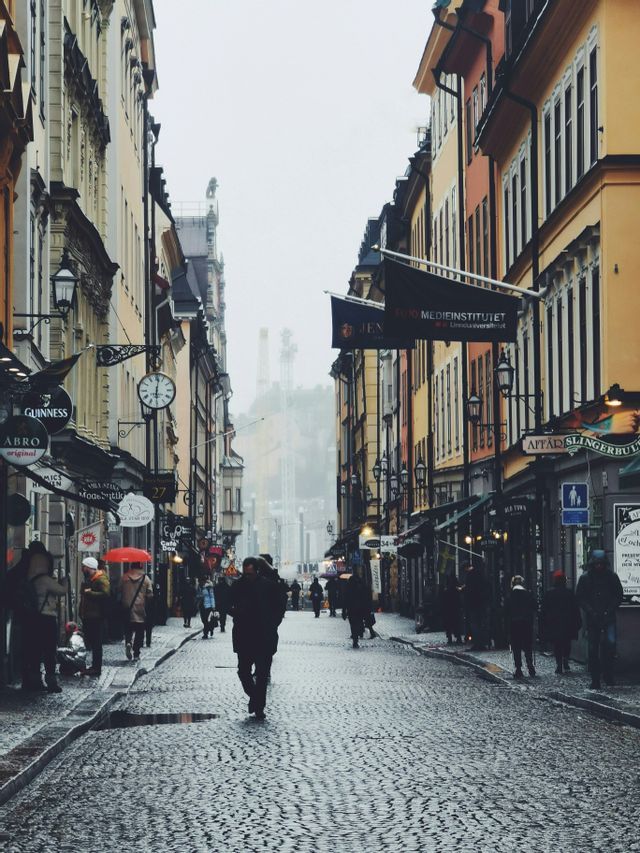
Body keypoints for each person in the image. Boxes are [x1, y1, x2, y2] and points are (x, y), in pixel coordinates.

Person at [229, 557, 280, 720]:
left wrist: (272, 623)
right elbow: (227, 604)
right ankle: (255, 697)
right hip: (244, 636)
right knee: (243, 672)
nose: (247, 577)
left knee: (262, 674)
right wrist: (237, 613)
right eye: (245, 574)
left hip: (264, 636)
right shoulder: (237, 586)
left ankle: (259, 707)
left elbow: (279, 607)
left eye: (250, 574)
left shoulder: (268, 586)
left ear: (257, 571)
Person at [576, 549, 624, 689]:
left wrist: (609, 609)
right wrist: (591, 611)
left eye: (601, 564)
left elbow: (618, 595)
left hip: (608, 617)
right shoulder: (585, 578)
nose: (599, 566)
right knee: (593, 649)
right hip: (593, 619)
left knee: (610, 646)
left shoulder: (611, 577)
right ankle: (595, 679)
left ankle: (608, 675)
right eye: (596, 564)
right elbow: (580, 597)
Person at [28, 543, 67, 692]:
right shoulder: (45, 580)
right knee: (49, 651)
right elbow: (62, 591)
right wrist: (65, 581)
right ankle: (51, 682)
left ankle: (35, 681)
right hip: (47, 618)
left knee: (35, 651)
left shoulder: (31, 579)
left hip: (34, 618)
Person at [541, 570, 582, 674]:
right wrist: (578, 621)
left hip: (554, 622)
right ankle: (565, 660)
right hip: (567, 622)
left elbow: (544, 609)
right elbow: (575, 608)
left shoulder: (549, 593)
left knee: (557, 644)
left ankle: (559, 664)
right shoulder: (569, 593)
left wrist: (544, 622)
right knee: (567, 642)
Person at [79, 556, 111, 677]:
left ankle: (96, 668)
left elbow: (106, 594)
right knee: (92, 642)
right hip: (90, 615)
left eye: (84, 567)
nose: (83, 569)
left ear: (89, 567)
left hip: (96, 616)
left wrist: (89, 593)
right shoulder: (91, 579)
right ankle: (93, 666)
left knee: (96, 643)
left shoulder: (100, 579)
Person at [119, 563, 153, 661]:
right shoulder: (145, 578)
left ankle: (128, 642)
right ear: (141, 567)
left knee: (128, 629)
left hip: (127, 608)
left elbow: (119, 589)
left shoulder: (124, 577)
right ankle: (136, 653)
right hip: (140, 608)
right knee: (139, 631)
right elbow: (150, 594)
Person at [507, 575, 537, 679]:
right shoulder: (528, 594)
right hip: (526, 623)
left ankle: (518, 669)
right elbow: (535, 606)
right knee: (527, 645)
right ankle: (530, 666)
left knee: (516, 646)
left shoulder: (510, 595)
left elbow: (505, 611)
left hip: (514, 623)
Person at [461, 561, 488, 650]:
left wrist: (463, 589)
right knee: (480, 623)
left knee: (475, 624)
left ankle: (478, 643)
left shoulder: (470, 575)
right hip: (481, 603)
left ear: (466, 568)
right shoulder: (479, 573)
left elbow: (470, 590)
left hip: (473, 604)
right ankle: (481, 643)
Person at [344, 572, 368, 648]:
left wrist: (344, 611)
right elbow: (366, 598)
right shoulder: (361, 586)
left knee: (353, 624)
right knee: (359, 622)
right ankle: (358, 634)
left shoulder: (348, 586)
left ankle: (355, 639)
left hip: (351, 609)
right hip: (360, 608)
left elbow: (345, 599)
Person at [440, 573, 463, 645]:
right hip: (454, 608)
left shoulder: (447, 589)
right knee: (456, 623)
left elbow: (442, 599)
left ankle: (451, 638)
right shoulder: (455, 588)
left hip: (449, 609)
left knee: (449, 624)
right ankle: (458, 638)